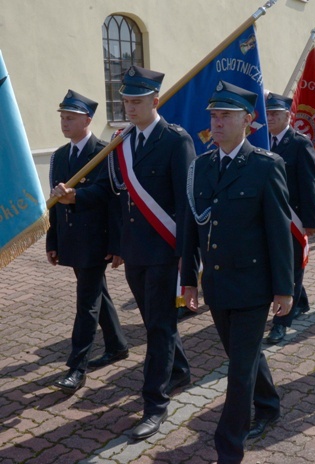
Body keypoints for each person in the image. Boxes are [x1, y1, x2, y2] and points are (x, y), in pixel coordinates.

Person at [53, 65, 195, 439]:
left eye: (137, 101)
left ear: (155, 100)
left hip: (165, 250)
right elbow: (112, 195)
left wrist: (188, 258)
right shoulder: (122, 142)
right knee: (154, 322)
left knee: (160, 329)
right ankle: (179, 369)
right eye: (126, 101)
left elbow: (186, 203)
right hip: (135, 251)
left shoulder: (175, 140)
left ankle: (155, 404)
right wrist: (76, 198)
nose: (129, 107)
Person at [181, 80, 294, 464]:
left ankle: (228, 447)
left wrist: (284, 288)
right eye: (214, 114)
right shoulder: (201, 166)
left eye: (226, 115)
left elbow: (280, 233)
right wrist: (187, 280)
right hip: (216, 283)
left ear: (248, 120)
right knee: (244, 356)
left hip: (253, 286)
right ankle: (269, 404)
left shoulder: (265, 166)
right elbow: (190, 229)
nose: (217, 122)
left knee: (238, 370)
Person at [47, 90, 128, 394]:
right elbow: (56, 203)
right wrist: (51, 241)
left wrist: (118, 244)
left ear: (87, 120)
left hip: (97, 242)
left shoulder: (104, 151)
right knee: (96, 294)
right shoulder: (60, 156)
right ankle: (118, 345)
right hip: (71, 241)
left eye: (71, 118)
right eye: (63, 117)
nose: (64, 123)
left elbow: (112, 198)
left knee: (87, 303)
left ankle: (76, 367)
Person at [264, 92, 315, 344]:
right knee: (286, 268)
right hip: (268, 218)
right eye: (268, 113)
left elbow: (309, 185)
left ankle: (280, 323)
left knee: (292, 267)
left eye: (276, 114)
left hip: (293, 219)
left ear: (288, 116)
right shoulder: (262, 142)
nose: (271, 117)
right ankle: (301, 300)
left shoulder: (299, 143)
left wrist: (310, 222)